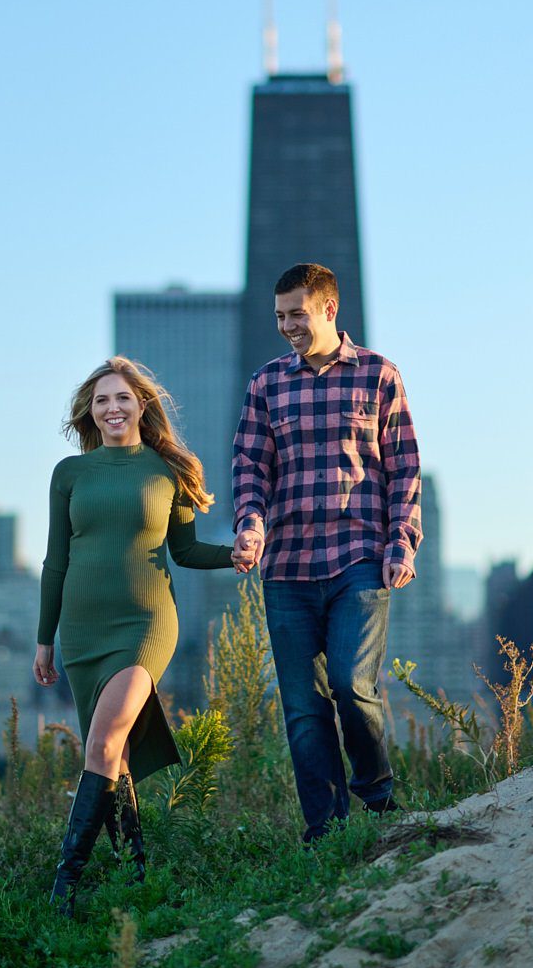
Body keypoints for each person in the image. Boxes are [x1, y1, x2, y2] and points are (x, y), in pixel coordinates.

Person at [35, 356, 251, 915]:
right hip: (83, 630)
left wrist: (236, 556)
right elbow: (55, 561)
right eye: (102, 400)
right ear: (90, 410)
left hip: (146, 624)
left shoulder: (165, 471)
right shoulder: (69, 474)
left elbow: (185, 551)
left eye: (123, 398)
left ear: (141, 406)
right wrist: (44, 639)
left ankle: (64, 887)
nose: (112, 408)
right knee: (116, 754)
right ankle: (135, 872)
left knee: (103, 743)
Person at [232, 263, 422, 843]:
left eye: (297, 313)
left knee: (350, 684)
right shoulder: (267, 385)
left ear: (329, 309)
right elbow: (249, 469)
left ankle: (378, 794)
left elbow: (405, 469)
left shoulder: (378, 374)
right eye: (280, 316)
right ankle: (326, 832)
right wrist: (249, 525)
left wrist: (401, 543)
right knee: (303, 711)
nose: (287, 325)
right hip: (287, 567)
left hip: (359, 559)